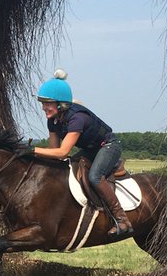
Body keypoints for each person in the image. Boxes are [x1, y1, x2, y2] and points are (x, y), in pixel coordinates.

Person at [31, 69, 133, 238]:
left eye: (47, 103)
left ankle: (122, 220)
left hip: (109, 146)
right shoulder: (53, 121)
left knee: (94, 177)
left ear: (60, 104)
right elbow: (54, 153)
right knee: (66, 169)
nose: (43, 108)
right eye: (42, 103)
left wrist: (33, 149)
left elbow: (63, 151)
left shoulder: (77, 117)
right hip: (91, 150)